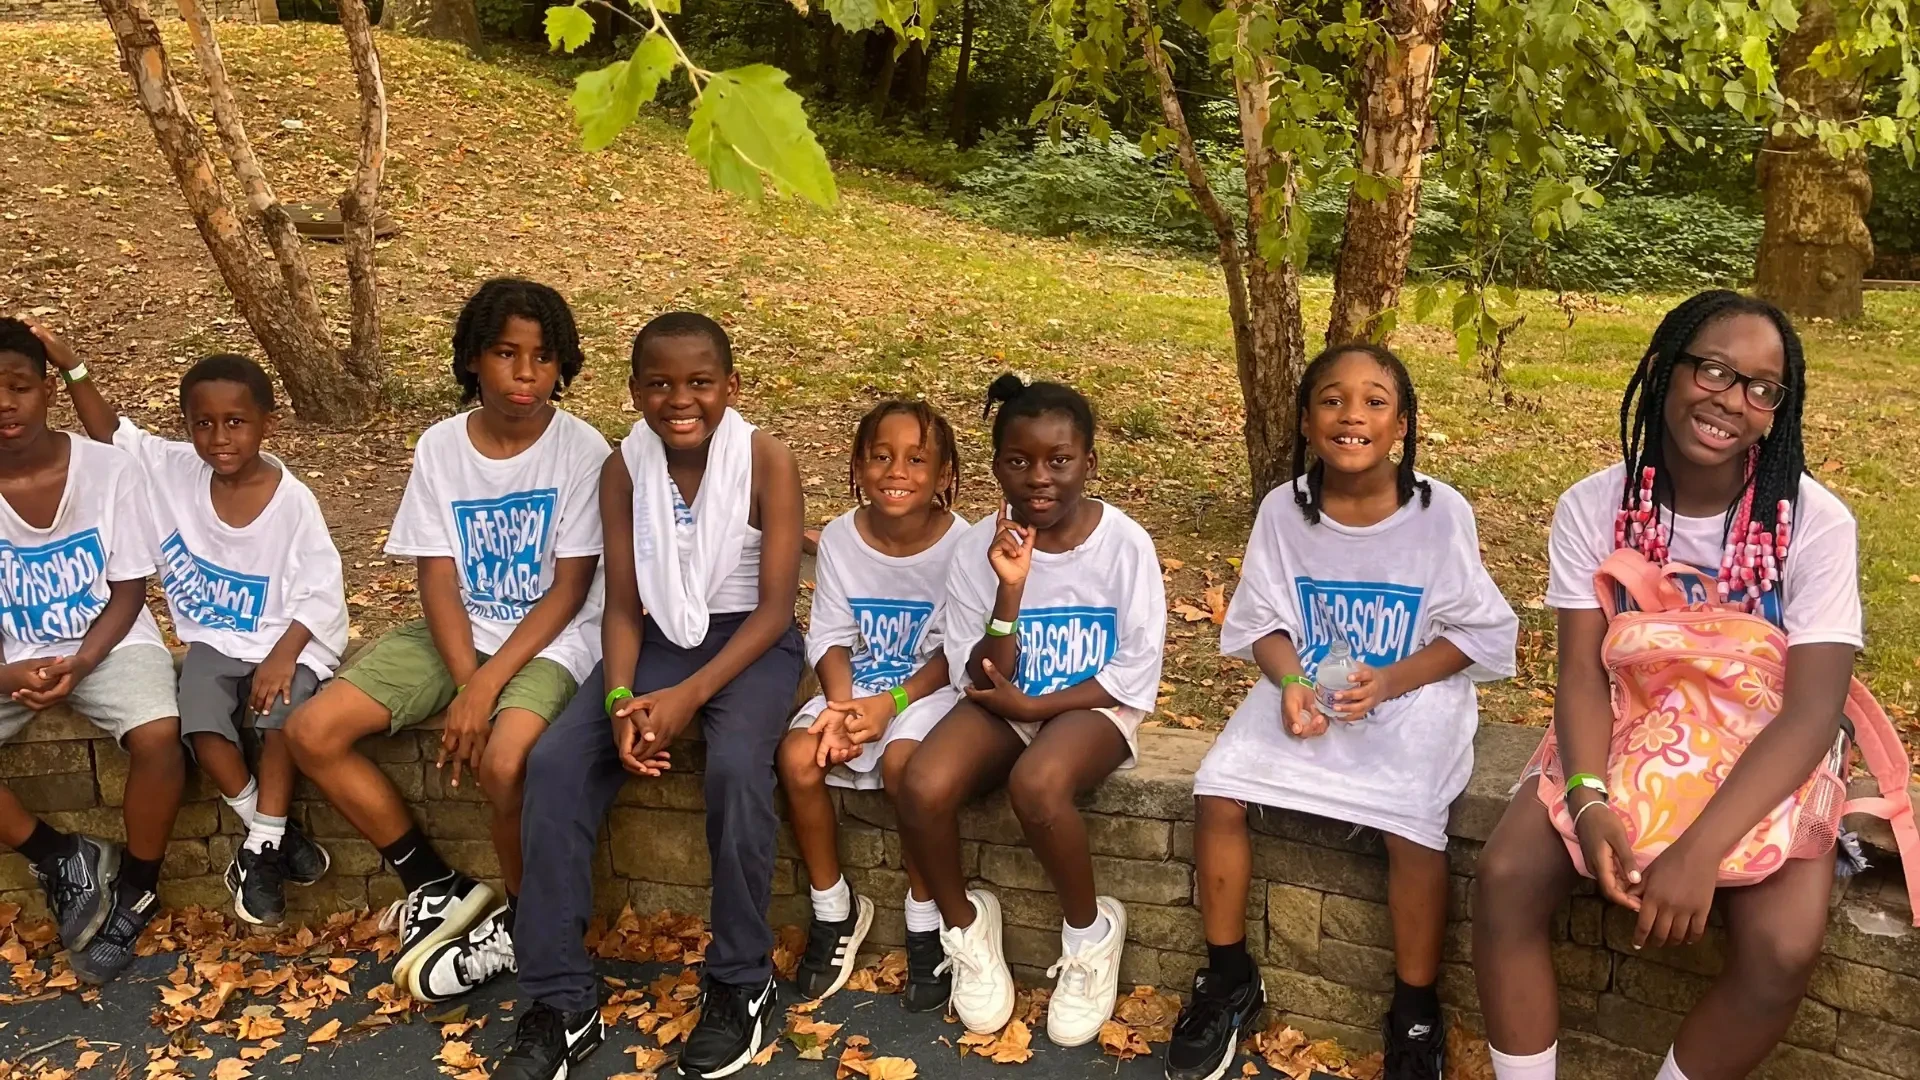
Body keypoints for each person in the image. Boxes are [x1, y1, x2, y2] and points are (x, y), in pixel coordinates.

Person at [1472, 292, 1861, 1080]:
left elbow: (1814, 711)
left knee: (1783, 947)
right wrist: (1586, 802)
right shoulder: (1593, 505)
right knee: (1506, 876)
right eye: (1714, 370)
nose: (1733, 401)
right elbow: (1582, 674)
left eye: (1762, 388)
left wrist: (1698, 851)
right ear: (1662, 369)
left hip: (1767, 738)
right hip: (1632, 721)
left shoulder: (1816, 522)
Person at [1166, 344, 1518, 1080]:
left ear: (1402, 424)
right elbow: (1262, 623)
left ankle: (1414, 1011)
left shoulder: (1439, 512)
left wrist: (1390, 682)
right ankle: (1228, 978)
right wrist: (1292, 681)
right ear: (1304, 420)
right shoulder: (1283, 510)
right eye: (1330, 399)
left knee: (1413, 816)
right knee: (1219, 787)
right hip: (1310, 691)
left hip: (1412, 692)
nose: (1350, 414)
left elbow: (1477, 634)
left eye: (1374, 402)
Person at [498, 313, 805, 1080]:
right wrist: (625, 701)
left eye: (700, 382)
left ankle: (742, 981)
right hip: (655, 638)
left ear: (730, 387)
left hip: (748, 643)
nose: (680, 399)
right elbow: (625, 607)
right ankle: (561, 1000)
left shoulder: (767, 461)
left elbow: (773, 613)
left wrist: (687, 699)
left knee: (737, 767)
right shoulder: (625, 468)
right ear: (635, 389)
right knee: (558, 762)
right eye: (660, 383)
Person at [284, 279, 606, 1003]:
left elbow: (569, 590)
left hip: (549, 640)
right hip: (455, 630)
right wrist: (468, 681)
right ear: (470, 359)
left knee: (504, 762)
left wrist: (489, 689)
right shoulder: (440, 447)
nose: (526, 374)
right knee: (311, 731)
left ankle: (527, 923)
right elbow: (437, 574)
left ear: (564, 367)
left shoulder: (582, 451)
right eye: (505, 353)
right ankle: (431, 878)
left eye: (544, 358)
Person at [896, 375, 1166, 1047]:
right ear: (996, 467)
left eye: (1059, 460)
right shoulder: (975, 551)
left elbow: (1133, 671)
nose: (1039, 478)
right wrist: (1009, 591)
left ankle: (1088, 934)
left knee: (1037, 782)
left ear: (1089, 463)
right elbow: (981, 673)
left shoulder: (1124, 544)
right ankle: (966, 928)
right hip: (1005, 698)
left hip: (1092, 704)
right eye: (1019, 462)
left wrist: (1039, 704)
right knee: (922, 783)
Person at [47, 327, 346, 928]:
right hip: (215, 640)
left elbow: (321, 591)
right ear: (187, 426)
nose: (218, 437)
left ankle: (260, 849)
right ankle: (267, 836)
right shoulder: (176, 470)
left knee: (281, 719)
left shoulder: (293, 502)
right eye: (203, 423)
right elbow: (110, 433)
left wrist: (284, 656)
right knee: (202, 724)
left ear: (267, 424)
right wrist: (73, 367)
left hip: (291, 636)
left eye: (235, 422)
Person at [0, 317, 182, 985]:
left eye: (18, 386)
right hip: (13, 653)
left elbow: (129, 592)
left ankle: (137, 886)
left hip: (107, 638)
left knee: (161, 735)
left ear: (46, 391)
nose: (4, 404)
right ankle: (59, 856)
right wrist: (6, 673)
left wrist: (81, 660)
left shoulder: (107, 470)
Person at [777, 400, 968, 1007]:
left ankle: (924, 916)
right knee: (796, 757)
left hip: (927, 690)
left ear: (943, 475)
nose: (897, 472)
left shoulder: (962, 545)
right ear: (858, 465)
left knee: (904, 768)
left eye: (917, 459)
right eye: (881, 456)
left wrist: (888, 706)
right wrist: (842, 707)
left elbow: (955, 655)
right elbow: (829, 636)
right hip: (854, 685)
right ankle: (834, 909)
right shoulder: (839, 537)